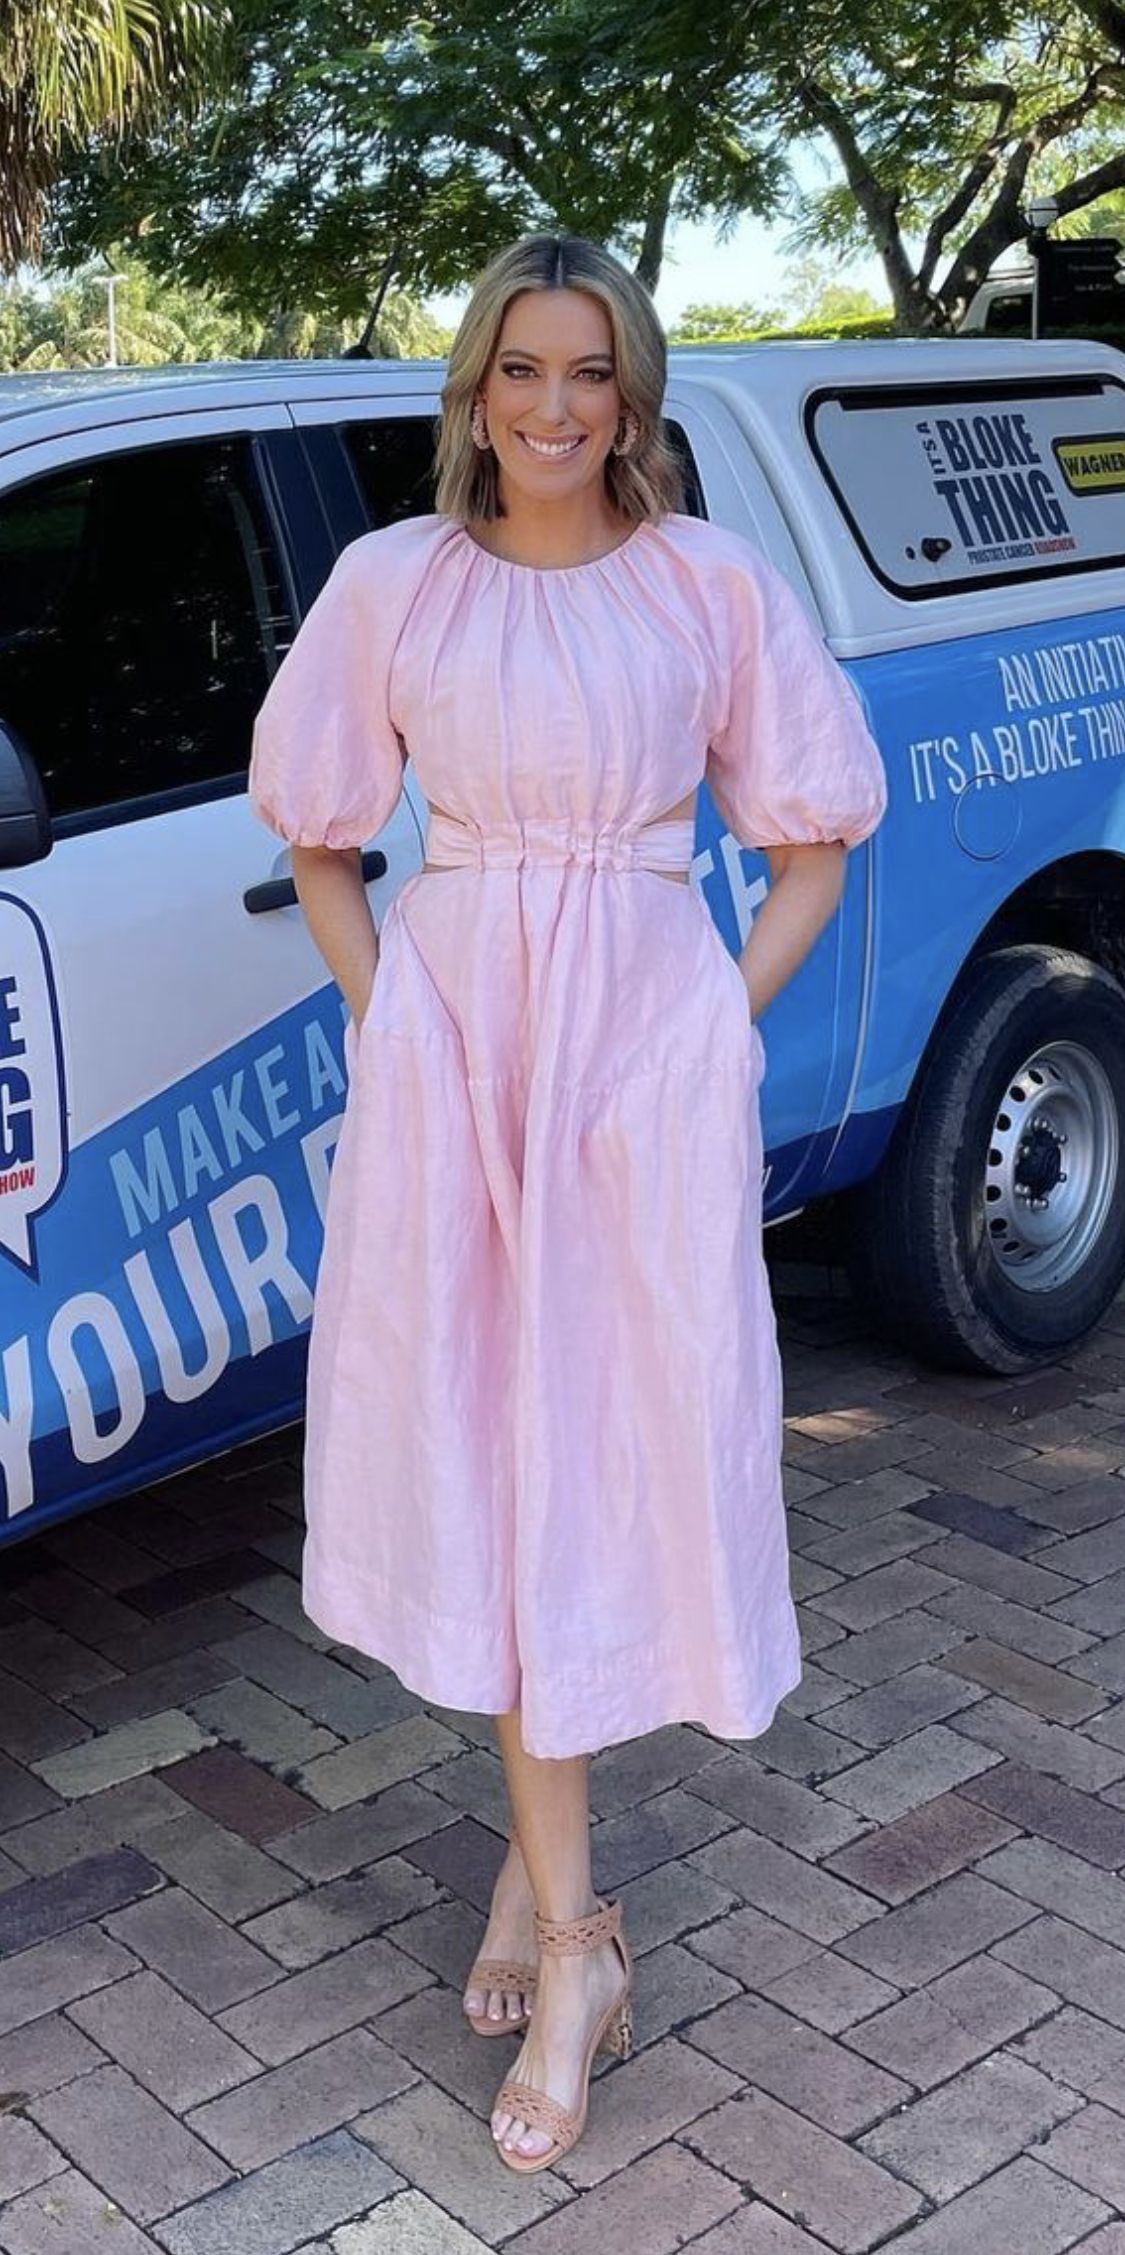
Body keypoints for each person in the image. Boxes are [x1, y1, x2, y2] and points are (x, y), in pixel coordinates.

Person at [248, 231, 887, 2174]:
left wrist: (709, 1023)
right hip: (460, 1067)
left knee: (600, 1457)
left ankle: (570, 1929)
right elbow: (322, 834)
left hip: (634, 1065)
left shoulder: (706, 583)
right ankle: (557, 1903)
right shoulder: (394, 581)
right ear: (473, 390)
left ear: (631, 394)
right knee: (487, 1455)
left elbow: (810, 839)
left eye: (587, 370)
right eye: (517, 369)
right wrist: (395, 1022)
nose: (550, 406)